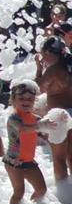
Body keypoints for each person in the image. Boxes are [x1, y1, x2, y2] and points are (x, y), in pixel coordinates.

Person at [4, 79, 47, 204]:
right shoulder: (14, 118)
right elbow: (23, 128)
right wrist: (41, 126)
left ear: (35, 101)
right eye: (21, 98)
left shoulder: (35, 118)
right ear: (13, 100)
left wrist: (56, 123)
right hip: (14, 162)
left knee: (41, 190)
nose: (26, 101)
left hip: (28, 161)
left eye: (30, 99)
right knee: (19, 192)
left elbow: (45, 127)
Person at [38, 36, 72, 183]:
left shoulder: (53, 70)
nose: (43, 58)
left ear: (50, 53)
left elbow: (38, 88)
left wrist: (39, 69)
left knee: (59, 158)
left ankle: (64, 196)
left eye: (43, 54)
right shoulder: (69, 67)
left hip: (59, 116)